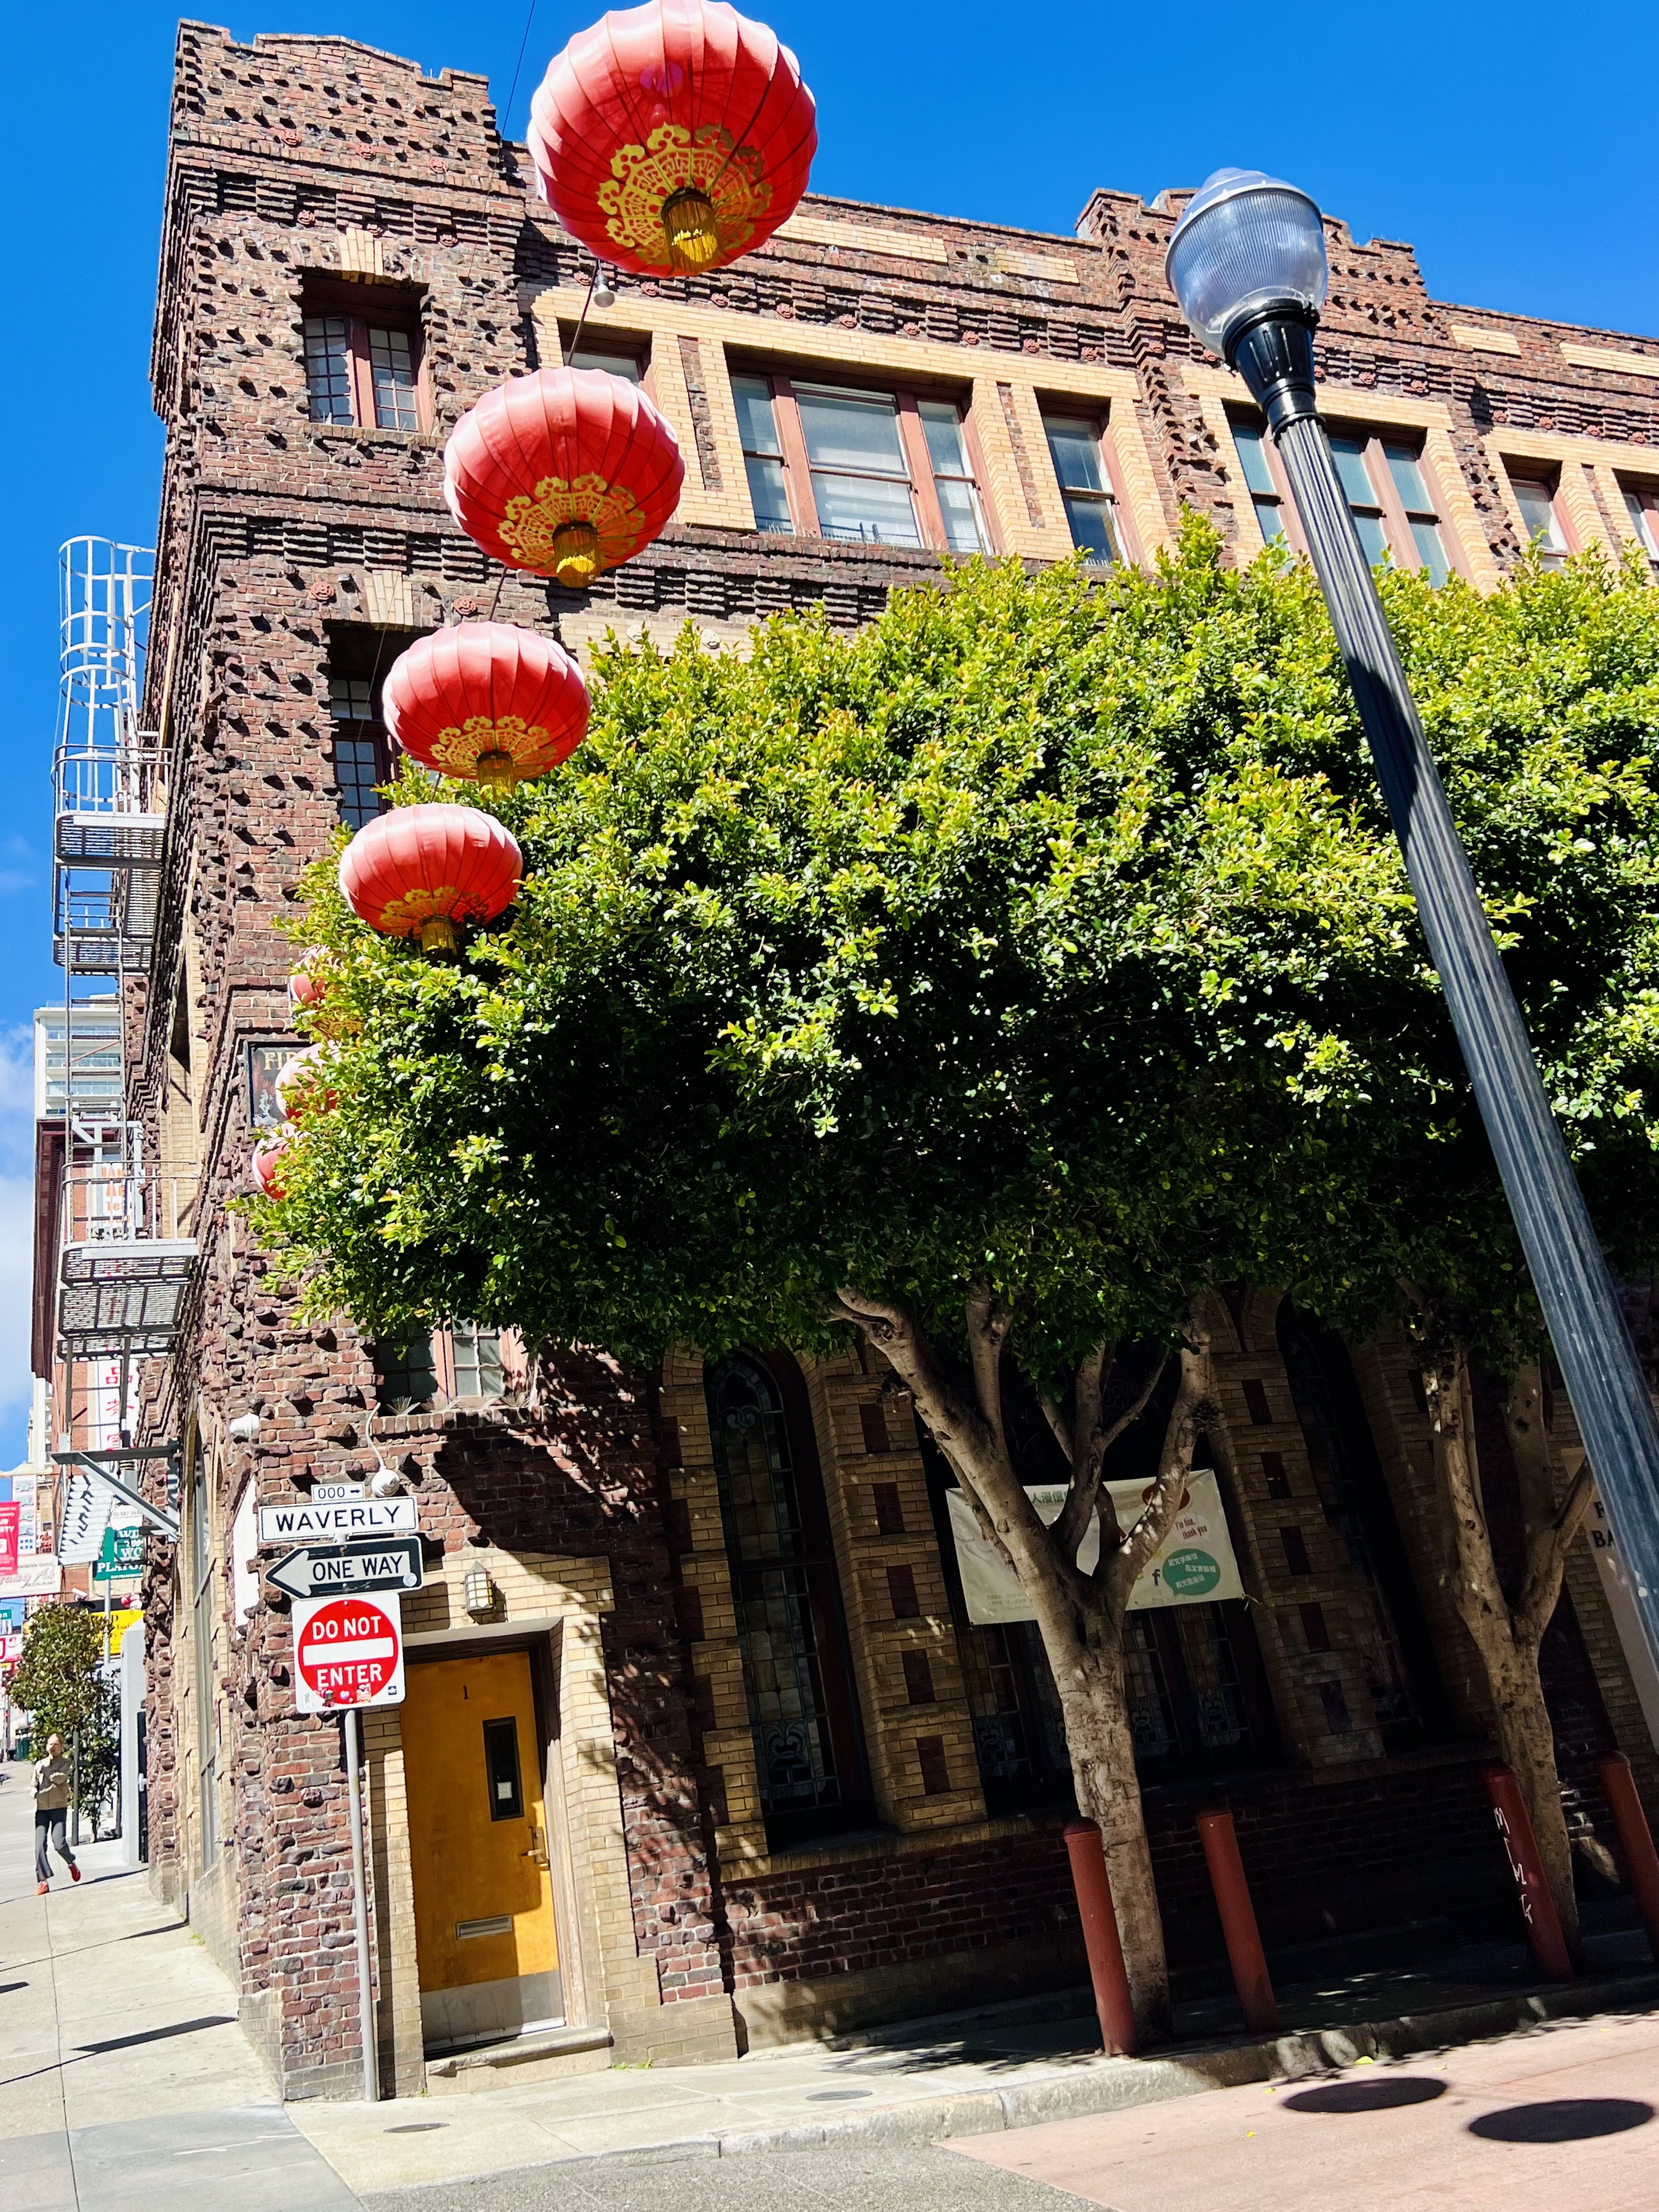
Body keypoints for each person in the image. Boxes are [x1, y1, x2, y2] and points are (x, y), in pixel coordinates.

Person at [34, 1733, 81, 1895]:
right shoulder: (40, 1764)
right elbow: (34, 1782)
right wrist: (34, 1790)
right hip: (42, 1809)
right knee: (39, 1845)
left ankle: (71, 1862)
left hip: (58, 1808)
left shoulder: (65, 1763)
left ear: (62, 1746)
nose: (52, 1747)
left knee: (59, 1843)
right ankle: (43, 1881)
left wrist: (45, 1771)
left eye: (56, 1744)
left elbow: (59, 1779)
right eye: (50, 1744)